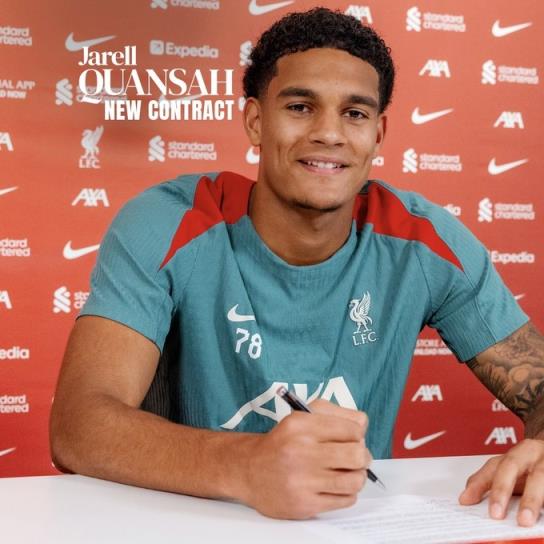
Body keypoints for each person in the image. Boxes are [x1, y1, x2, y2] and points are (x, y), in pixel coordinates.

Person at [50, 7, 544, 525]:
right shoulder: (169, 221)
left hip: (349, 526)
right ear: (255, 121)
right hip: (182, 525)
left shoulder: (424, 241)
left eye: (355, 114)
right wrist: (248, 466)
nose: (329, 133)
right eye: (301, 107)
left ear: (378, 134)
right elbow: (78, 426)